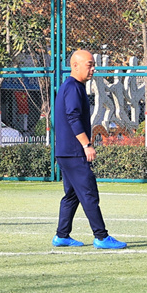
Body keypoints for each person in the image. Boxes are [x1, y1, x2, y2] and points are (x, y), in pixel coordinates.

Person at [52, 49, 126, 249]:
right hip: (74, 152)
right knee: (89, 192)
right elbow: (73, 117)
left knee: (72, 195)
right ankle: (101, 237)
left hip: (65, 152)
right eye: (89, 65)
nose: (93, 69)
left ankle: (62, 236)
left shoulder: (71, 86)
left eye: (94, 65)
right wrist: (86, 145)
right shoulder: (73, 88)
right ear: (75, 65)